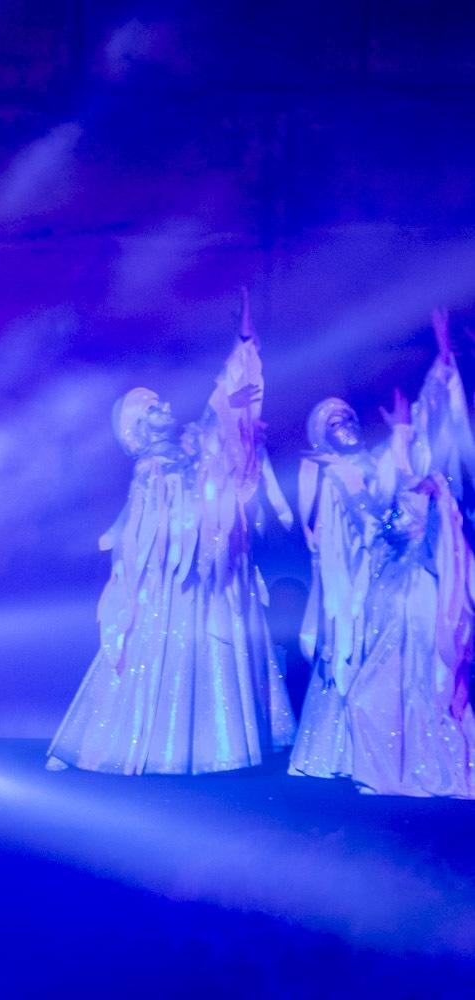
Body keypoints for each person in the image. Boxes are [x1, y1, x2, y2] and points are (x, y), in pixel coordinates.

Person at [47, 291, 295, 774]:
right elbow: (156, 527)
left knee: (205, 646)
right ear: (139, 428)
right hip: (167, 579)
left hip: (199, 571)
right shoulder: (153, 467)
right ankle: (135, 741)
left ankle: (207, 741)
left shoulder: (187, 449)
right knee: (148, 651)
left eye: (161, 403)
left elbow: (220, 425)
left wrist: (244, 348)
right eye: (153, 408)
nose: (164, 407)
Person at [293, 308, 475, 796]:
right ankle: (371, 755)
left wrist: (443, 362)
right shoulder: (343, 476)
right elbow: (373, 520)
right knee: (373, 672)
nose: (347, 426)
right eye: (335, 423)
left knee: (420, 671)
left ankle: (423, 756)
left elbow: (426, 442)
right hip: (373, 587)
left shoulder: (388, 461)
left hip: (411, 582)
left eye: (349, 418)